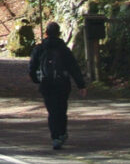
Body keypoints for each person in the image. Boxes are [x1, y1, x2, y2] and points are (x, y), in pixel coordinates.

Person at [29, 21, 87, 149]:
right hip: (62, 83)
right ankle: (62, 133)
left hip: (46, 84)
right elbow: (74, 68)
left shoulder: (39, 49)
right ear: (59, 33)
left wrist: (37, 80)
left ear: (46, 33)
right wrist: (81, 85)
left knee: (52, 111)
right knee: (61, 109)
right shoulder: (64, 49)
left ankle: (55, 136)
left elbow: (32, 67)